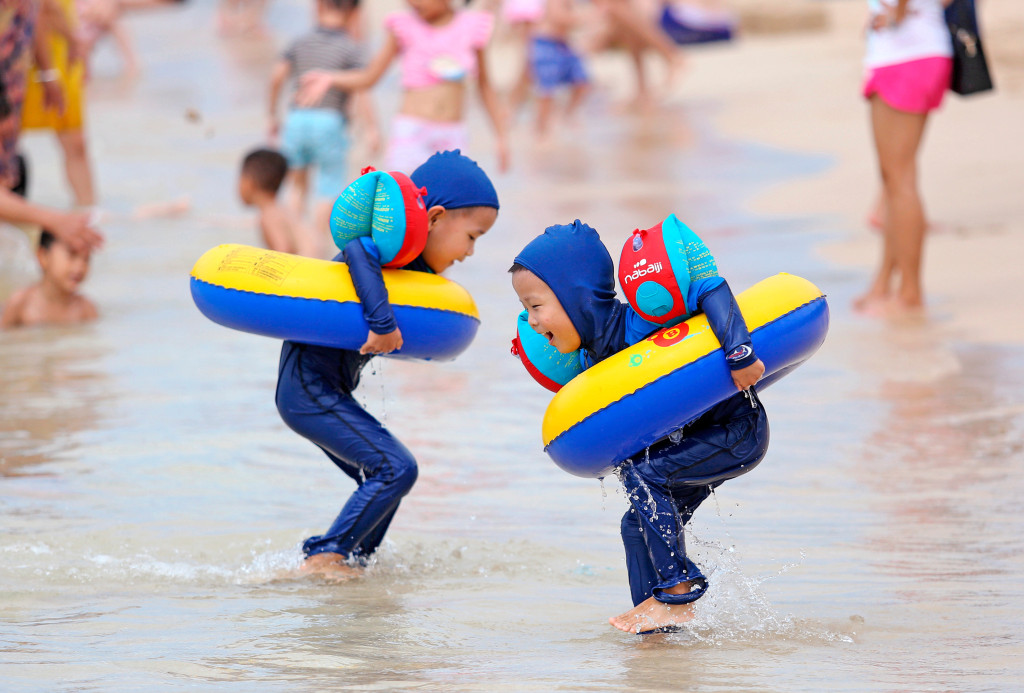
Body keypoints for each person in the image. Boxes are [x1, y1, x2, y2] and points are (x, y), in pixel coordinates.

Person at [510, 220, 768, 634]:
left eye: (535, 305)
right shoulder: (596, 365)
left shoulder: (642, 323)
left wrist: (739, 351)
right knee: (633, 526)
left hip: (736, 430)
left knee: (643, 474)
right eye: (525, 309)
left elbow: (710, 287)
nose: (531, 320)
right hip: (698, 442)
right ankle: (657, 631)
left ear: (576, 296)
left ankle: (678, 592)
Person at [275, 150, 499, 579]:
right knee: (397, 468)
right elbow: (356, 248)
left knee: (383, 474)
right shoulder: (389, 250)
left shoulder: (408, 270)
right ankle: (326, 555)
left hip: (320, 391)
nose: (470, 252)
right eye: (472, 236)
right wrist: (382, 323)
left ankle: (356, 563)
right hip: (307, 391)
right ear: (434, 219)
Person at [295, 0, 510, 174]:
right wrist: (331, 79)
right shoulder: (404, 26)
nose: (412, 2)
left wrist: (501, 136)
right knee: (405, 205)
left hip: (452, 135)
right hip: (412, 133)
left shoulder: (472, 27)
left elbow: (485, 86)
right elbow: (370, 76)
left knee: (448, 207)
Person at [855, 0, 953, 315]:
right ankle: (885, 283)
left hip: (906, 54)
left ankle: (910, 292)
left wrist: (897, 14)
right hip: (913, 51)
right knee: (894, 180)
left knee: (900, 180)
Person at [268, 0, 378, 257]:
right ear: (353, 13)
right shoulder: (351, 47)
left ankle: (294, 244)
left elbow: (277, 77)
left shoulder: (300, 41)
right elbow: (361, 90)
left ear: (318, 7)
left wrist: (272, 115)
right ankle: (317, 248)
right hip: (330, 122)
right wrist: (372, 128)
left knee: (297, 187)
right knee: (327, 187)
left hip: (297, 119)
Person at [1, 1, 103, 253]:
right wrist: (54, 220)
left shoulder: (25, 8)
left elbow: (36, 16)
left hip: (12, 81)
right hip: (10, 84)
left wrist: (47, 73)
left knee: (9, 175)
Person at [22, 0, 98, 208]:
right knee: (74, 142)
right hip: (43, 54)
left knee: (74, 142)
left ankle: (85, 211)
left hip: (52, 50)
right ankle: (86, 211)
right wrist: (76, 42)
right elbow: (44, 9)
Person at [1, 228, 97, 328]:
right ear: (43, 256)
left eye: (86, 259)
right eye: (71, 255)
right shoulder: (21, 303)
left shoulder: (85, 309)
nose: (79, 267)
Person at [528, 0, 590, 139]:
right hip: (545, 43)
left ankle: (567, 114)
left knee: (582, 81)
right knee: (546, 91)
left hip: (562, 43)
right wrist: (585, 17)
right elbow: (557, 17)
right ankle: (541, 131)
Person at [238, 147, 311, 255]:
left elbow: (284, 250)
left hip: (306, 263)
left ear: (249, 182)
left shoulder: (268, 216)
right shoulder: (281, 210)